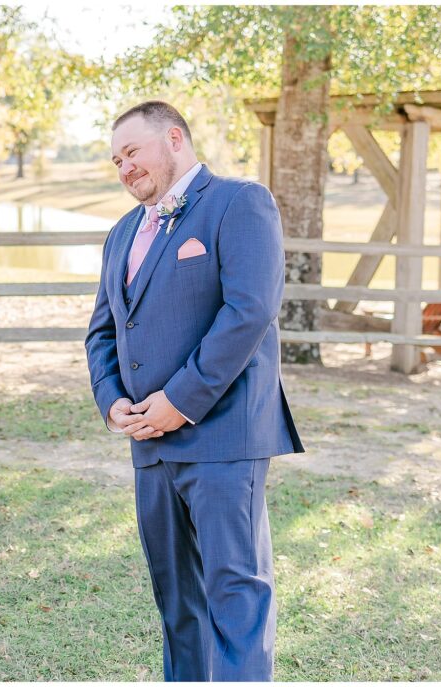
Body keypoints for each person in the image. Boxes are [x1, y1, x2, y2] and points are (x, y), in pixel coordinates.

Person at [85, 101, 304, 681]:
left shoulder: (239, 203)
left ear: (174, 139)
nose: (124, 167)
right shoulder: (121, 233)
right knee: (178, 602)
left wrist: (177, 403)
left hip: (221, 437)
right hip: (148, 445)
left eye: (132, 152)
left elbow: (248, 311)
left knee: (235, 592)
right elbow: (103, 330)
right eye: (116, 160)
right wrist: (113, 403)